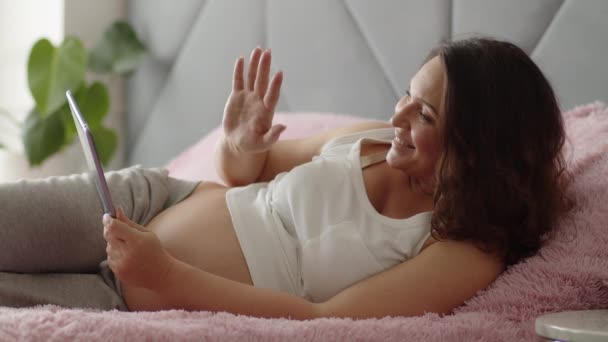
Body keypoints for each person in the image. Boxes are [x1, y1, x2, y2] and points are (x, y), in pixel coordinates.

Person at [0, 37, 571, 320]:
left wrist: (163, 273)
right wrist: (239, 146)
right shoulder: (374, 140)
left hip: (132, 294)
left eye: (424, 115)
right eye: (407, 94)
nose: (397, 117)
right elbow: (251, 173)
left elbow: (324, 323)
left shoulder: (463, 250)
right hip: (142, 202)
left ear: (479, 151)